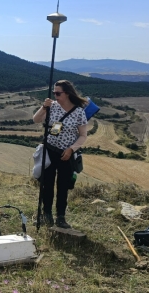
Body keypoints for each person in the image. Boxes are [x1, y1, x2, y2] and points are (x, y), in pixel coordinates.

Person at [32, 79, 88, 229]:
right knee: (47, 185)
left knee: (63, 186)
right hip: (50, 151)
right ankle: (47, 214)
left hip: (66, 154)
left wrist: (71, 149)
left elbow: (83, 135)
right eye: (54, 93)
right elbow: (36, 119)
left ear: (67, 93)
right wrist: (44, 107)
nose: (55, 96)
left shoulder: (78, 112)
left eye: (58, 93)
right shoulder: (52, 106)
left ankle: (61, 217)